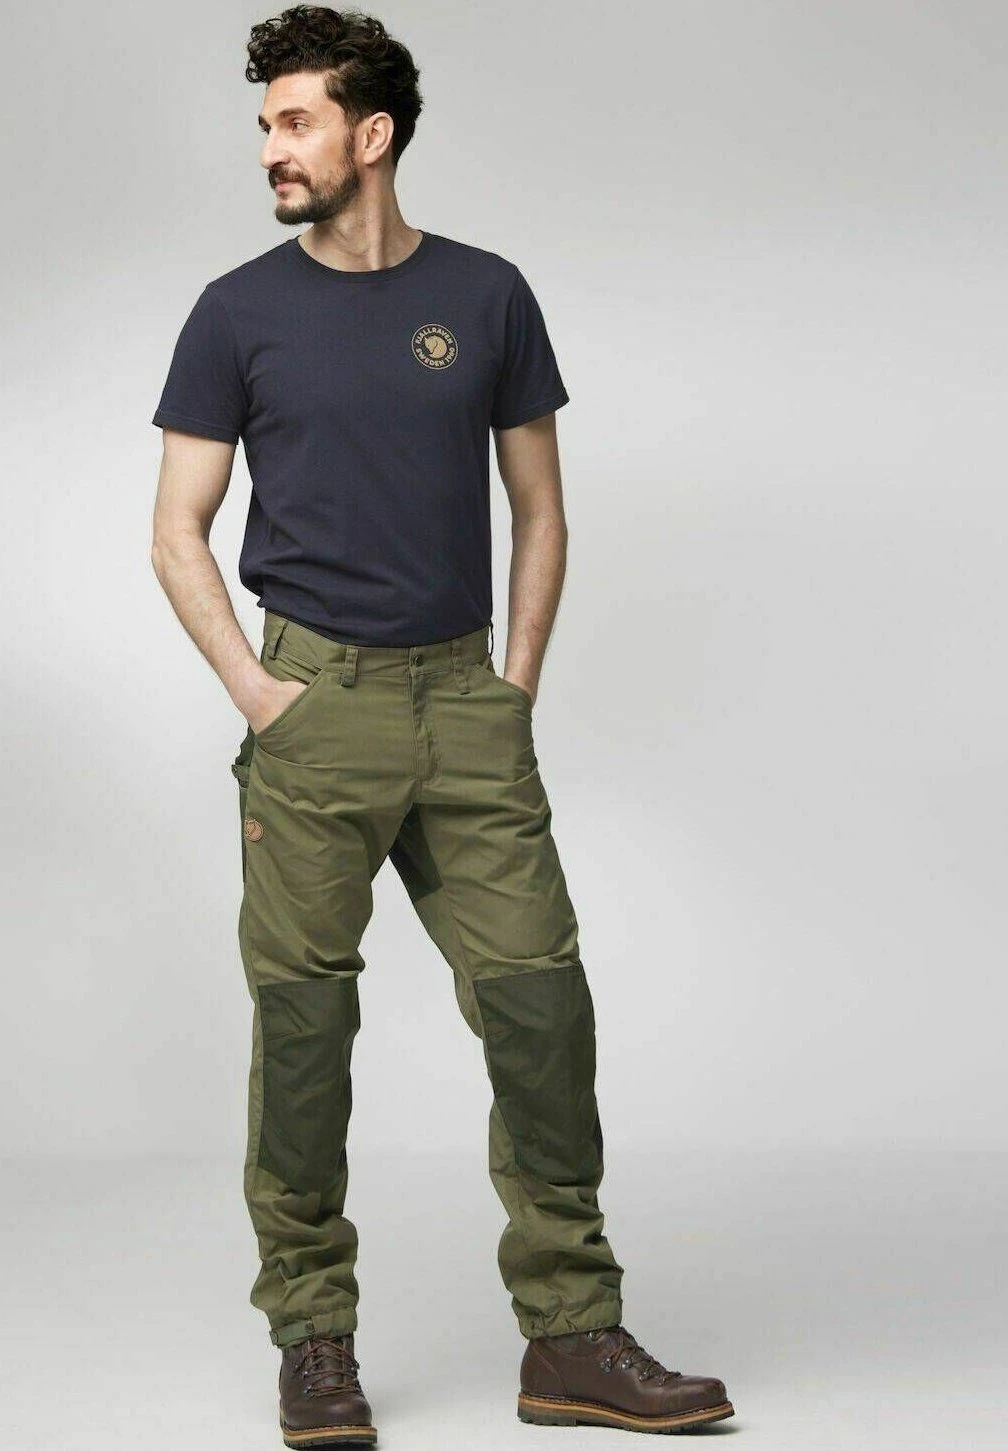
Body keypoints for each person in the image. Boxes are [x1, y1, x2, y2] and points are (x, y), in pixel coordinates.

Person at [150, 7, 735, 1446]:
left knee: (540, 1004)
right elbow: (177, 530)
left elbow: (540, 507)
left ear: (373, 135)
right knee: (307, 1029)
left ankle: (573, 1335)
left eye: (295, 122)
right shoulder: (235, 312)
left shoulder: (487, 295)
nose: (272, 149)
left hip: (466, 704)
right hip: (314, 707)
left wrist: (512, 687)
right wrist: (261, 697)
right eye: (266, 126)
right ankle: (314, 1339)